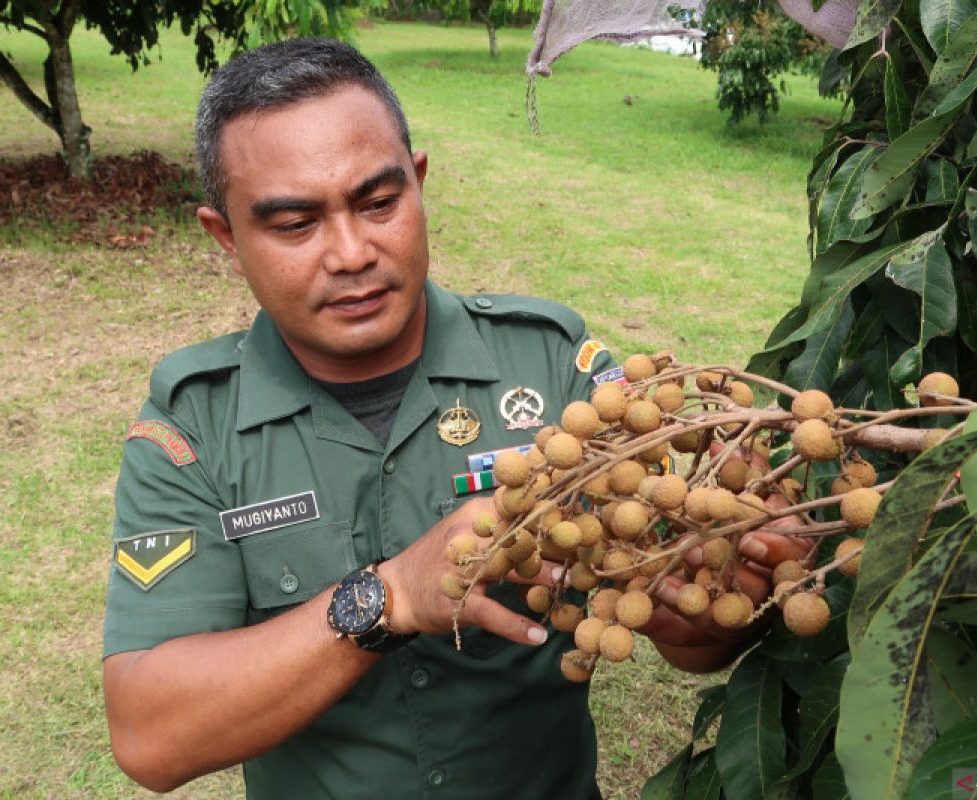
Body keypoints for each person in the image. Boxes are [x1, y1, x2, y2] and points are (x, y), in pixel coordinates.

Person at [101, 37, 808, 798]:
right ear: (227, 239)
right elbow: (151, 735)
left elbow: (693, 637)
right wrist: (388, 598)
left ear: (419, 183)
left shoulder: (554, 370)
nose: (351, 252)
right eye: (295, 224)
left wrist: (735, 568)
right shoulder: (193, 426)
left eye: (379, 203)